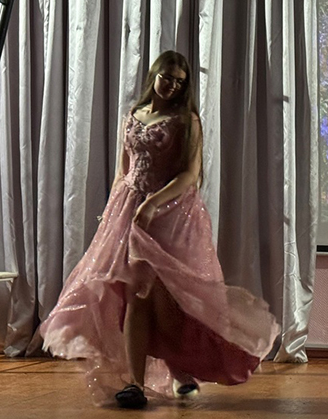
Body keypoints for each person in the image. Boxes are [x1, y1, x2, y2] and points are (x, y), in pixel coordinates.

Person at [40, 51, 280, 409]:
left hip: (170, 215)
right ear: (154, 75)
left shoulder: (186, 121)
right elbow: (124, 172)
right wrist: (112, 214)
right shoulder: (133, 116)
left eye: (179, 82)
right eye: (166, 77)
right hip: (129, 211)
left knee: (170, 302)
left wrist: (153, 203)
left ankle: (180, 370)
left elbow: (190, 174)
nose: (171, 85)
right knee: (135, 295)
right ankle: (135, 384)